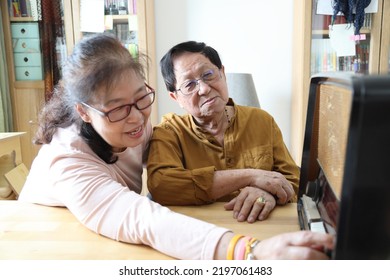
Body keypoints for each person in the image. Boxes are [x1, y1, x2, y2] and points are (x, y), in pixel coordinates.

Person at [19, 34, 333, 260]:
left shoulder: (141, 127)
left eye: (141, 98)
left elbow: (291, 178)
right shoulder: (68, 159)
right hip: (44, 246)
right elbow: (145, 217)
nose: (137, 119)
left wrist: (263, 187)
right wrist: (250, 251)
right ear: (84, 112)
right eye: (118, 108)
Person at [147, 41, 300, 223]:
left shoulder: (262, 120)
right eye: (189, 85)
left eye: (208, 75)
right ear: (176, 97)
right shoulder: (169, 131)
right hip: (200, 236)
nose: (204, 89)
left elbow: (294, 180)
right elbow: (162, 185)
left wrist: (267, 194)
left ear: (223, 74)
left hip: (260, 227)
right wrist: (250, 176)